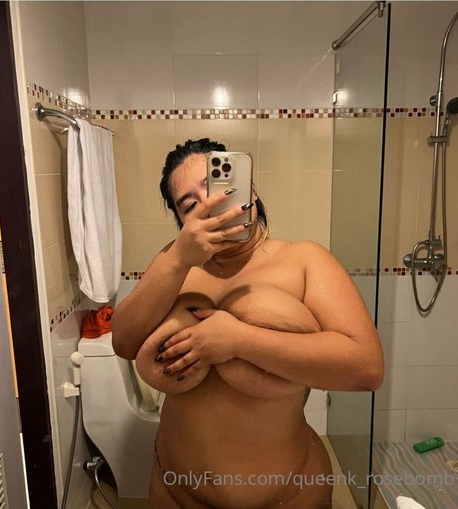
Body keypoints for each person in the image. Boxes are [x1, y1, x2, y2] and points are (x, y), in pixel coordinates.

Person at [111, 138, 384, 509]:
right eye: (190, 205)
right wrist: (177, 260)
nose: (208, 206)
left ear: (249, 190)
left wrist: (238, 340)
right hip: (176, 492)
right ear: (182, 222)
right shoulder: (173, 265)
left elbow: (367, 368)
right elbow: (124, 343)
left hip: (290, 497)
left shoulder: (305, 260)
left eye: (216, 188)